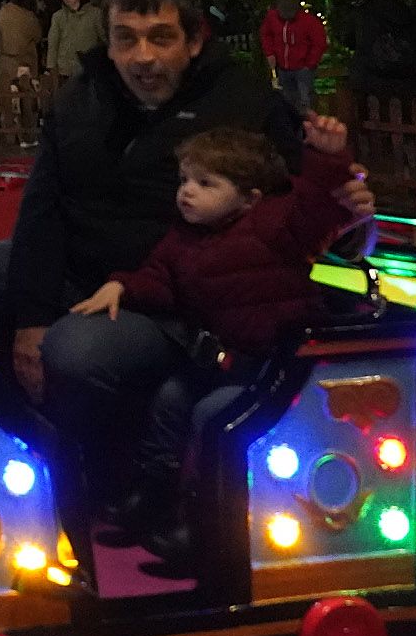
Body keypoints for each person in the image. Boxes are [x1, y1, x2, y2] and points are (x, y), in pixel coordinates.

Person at [0, 0, 333, 502]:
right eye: (126, 39)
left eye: (161, 37)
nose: (142, 57)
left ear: (194, 41)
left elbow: (297, 212)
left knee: (76, 350)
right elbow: (43, 208)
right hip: (81, 273)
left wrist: (345, 204)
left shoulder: (244, 105)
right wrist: (30, 318)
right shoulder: (83, 100)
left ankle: (101, 472)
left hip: (174, 299)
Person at [69, 116, 368, 566]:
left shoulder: (272, 227)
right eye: (185, 180)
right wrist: (121, 286)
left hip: (276, 367)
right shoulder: (183, 241)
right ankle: (153, 494)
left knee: (213, 416)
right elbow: (158, 278)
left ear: (249, 199)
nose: (186, 191)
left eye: (206, 183)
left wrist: (327, 157)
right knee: (171, 399)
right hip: (227, 362)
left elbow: (312, 208)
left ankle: (205, 516)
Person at [258, 0, 328, 114]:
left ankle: (307, 127)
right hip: (283, 67)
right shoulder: (272, 18)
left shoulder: (309, 21)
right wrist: (270, 53)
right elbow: (266, 34)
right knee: (287, 100)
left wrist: (310, 63)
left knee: (305, 101)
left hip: (303, 68)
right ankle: (292, 126)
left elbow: (319, 43)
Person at [45, 0, 106, 80]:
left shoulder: (95, 14)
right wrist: (51, 65)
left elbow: (103, 36)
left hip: (88, 65)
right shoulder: (58, 16)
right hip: (66, 67)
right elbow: (53, 42)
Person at [0, 0, 43, 85]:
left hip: (4, 57)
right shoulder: (30, 17)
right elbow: (37, 36)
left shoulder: (4, 10)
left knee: (5, 89)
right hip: (24, 59)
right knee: (24, 90)